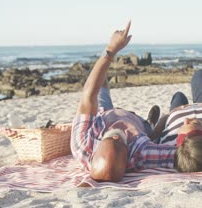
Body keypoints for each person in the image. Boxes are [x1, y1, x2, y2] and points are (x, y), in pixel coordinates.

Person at [71, 21, 177, 182]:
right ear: (128, 158)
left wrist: (111, 50)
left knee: (98, 84)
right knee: (156, 128)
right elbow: (182, 154)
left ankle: (101, 66)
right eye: (122, 142)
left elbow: (88, 95)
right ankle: (150, 123)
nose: (118, 137)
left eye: (112, 139)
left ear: (95, 150)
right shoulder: (141, 154)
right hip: (138, 126)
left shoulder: (82, 144)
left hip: (106, 115)